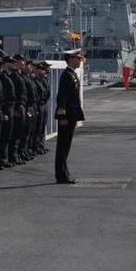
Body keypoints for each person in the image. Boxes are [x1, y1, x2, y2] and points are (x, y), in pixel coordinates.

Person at [54, 48, 85, 184]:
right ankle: (61, 175)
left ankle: (63, 173)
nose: (80, 61)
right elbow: (61, 99)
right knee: (62, 147)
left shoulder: (72, 74)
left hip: (71, 116)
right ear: (71, 59)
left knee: (66, 146)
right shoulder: (67, 75)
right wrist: (62, 117)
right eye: (78, 58)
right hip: (67, 117)